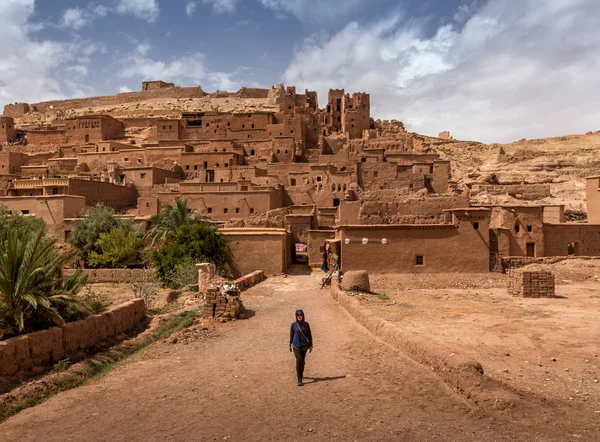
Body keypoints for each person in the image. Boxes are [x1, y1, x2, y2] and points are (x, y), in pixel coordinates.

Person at [289, 309, 313, 386]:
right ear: (296, 316)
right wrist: (290, 344)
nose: (299, 317)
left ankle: (301, 373)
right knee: (298, 360)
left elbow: (309, 335)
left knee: (302, 361)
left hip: (304, 346)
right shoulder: (293, 325)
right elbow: (291, 334)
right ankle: (299, 378)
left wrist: (310, 345)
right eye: (298, 315)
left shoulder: (306, 325)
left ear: (303, 316)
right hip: (296, 345)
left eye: (301, 315)